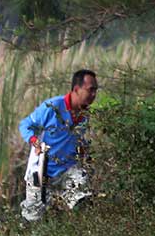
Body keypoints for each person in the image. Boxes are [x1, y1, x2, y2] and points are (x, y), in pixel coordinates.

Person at [17, 69, 98, 221]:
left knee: (84, 201)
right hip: (42, 171)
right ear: (76, 89)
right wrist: (34, 141)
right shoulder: (52, 107)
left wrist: (86, 154)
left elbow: (78, 140)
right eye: (90, 90)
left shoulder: (85, 114)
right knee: (32, 218)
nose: (94, 95)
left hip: (69, 170)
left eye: (95, 90)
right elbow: (25, 125)